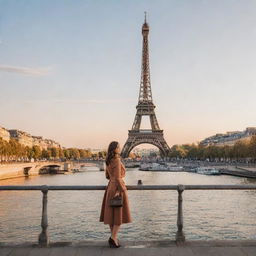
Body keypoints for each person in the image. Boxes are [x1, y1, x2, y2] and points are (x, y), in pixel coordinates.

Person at [99, 141, 132, 248]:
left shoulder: (108, 160)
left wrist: (113, 181)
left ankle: (114, 237)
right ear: (115, 149)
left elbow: (108, 176)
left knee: (111, 215)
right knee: (119, 215)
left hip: (110, 187)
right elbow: (118, 178)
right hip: (117, 188)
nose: (120, 148)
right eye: (119, 147)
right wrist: (121, 189)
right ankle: (113, 238)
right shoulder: (117, 160)